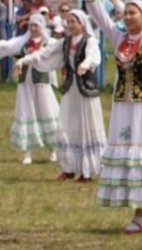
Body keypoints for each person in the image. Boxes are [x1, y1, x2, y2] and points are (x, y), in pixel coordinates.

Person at [71, 0, 142, 235]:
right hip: (123, 105)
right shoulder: (118, 38)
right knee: (129, 157)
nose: (127, 17)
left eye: (133, 12)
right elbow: (100, 17)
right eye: (125, 13)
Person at [17, 9, 106, 182]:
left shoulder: (89, 41)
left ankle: (87, 170)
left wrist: (86, 65)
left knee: (85, 125)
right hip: (71, 87)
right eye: (69, 22)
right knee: (66, 124)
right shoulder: (65, 42)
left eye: (74, 21)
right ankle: (69, 167)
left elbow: (93, 56)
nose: (70, 25)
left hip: (85, 89)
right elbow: (45, 53)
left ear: (82, 23)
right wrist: (23, 60)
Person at [0, 12, 60, 164]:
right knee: (25, 113)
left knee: (48, 111)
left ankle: (53, 150)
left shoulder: (50, 43)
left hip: (42, 83)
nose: (33, 28)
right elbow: (5, 45)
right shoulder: (23, 42)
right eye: (31, 25)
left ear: (42, 26)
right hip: (25, 84)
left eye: (36, 25)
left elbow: (63, 49)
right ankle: (26, 152)